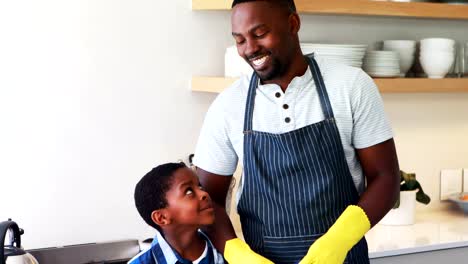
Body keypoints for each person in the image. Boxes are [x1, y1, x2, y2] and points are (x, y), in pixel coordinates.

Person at [193, 0, 400, 263]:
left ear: (293, 24)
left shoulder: (351, 86)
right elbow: (206, 203)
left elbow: (386, 178)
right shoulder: (227, 105)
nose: (250, 49)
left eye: (259, 34)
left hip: (344, 257)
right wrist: (238, 253)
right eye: (240, 40)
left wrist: (338, 241)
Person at [129, 162, 225, 264]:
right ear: (161, 218)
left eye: (200, 187)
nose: (204, 193)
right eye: (189, 191)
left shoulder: (222, 246)